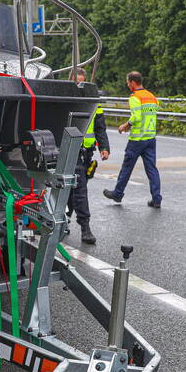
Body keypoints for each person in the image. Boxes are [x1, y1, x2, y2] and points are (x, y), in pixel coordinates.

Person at [103, 70, 162, 208]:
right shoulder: (152, 96)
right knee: (152, 170)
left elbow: (136, 117)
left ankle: (117, 194)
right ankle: (157, 199)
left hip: (137, 139)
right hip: (150, 138)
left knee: (127, 168)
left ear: (133, 82)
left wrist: (125, 126)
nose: (128, 85)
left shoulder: (135, 97)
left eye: (128, 82)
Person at [66, 68, 110, 244]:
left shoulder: (94, 103)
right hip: (70, 149)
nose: (80, 86)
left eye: (83, 83)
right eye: (77, 82)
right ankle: (85, 228)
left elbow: (100, 127)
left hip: (86, 152)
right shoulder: (66, 99)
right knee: (80, 188)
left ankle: (64, 218)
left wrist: (104, 147)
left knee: (70, 186)